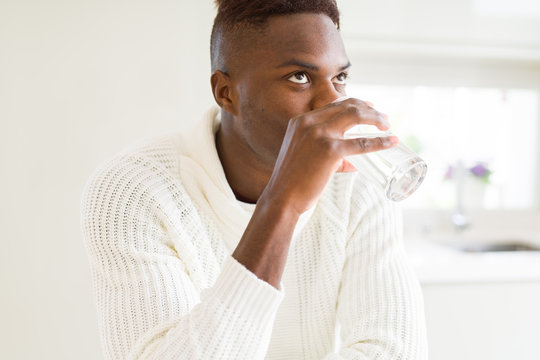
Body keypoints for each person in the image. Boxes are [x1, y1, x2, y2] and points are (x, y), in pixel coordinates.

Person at [80, 0, 428, 359]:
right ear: (225, 92)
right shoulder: (131, 190)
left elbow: (393, 350)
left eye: (339, 77)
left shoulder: (356, 181)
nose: (332, 104)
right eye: (299, 77)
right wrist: (284, 205)